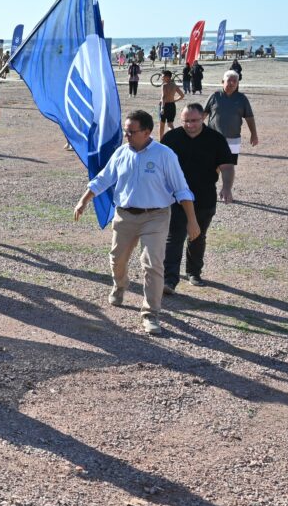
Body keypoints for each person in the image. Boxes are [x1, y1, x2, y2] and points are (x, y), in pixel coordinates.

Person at [73, 110, 199, 335]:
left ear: (147, 132)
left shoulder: (165, 155)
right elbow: (104, 178)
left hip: (156, 216)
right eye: (125, 131)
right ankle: (120, 285)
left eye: (131, 132)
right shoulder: (121, 153)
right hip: (125, 215)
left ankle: (151, 314)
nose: (126, 135)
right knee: (117, 259)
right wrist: (83, 201)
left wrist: (192, 221)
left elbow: (181, 188)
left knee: (152, 264)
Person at [161, 104, 232, 292]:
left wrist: (227, 187)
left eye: (194, 120)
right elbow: (160, 166)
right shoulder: (170, 138)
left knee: (197, 236)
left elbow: (226, 165)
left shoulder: (216, 139)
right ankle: (169, 280)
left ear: (203, 118)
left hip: (204, 197)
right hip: (175, 198)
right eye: (186, 121)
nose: (190, 125)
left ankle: (193, 272)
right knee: (174, 236)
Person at [204, 70, 258, 202]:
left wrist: (254, 134)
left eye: (235, 81)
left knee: (229, 165)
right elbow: (203, 114)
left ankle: (226, 190)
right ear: (223, 82)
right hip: (213, 138)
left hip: (233, 138)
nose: (232, 83)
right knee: (212, 165)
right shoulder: (215, 96)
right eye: (229, 80)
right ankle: (210, 189)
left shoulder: (242, 99)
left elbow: (249, 117)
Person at [157, 70, 184, 139]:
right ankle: (172, 139)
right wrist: (174, 100)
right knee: (170, 124)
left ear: (167, 77)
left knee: (162, 124)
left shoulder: (164, 86)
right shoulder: (174, 85)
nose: (162, 78)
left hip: (164, 105)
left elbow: (163, 97)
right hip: (172, 105)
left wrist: (162, 108)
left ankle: (161, 140)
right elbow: (182, 95)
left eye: (163, 76)